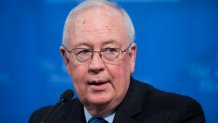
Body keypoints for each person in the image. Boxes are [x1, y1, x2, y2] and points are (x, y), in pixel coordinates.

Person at [29, 0, 205, 123]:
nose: (96, 65)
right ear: (66, 60)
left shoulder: (177, 115)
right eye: (83, 51)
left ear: (131, 57)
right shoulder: (44, 119)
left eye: (110, 50)